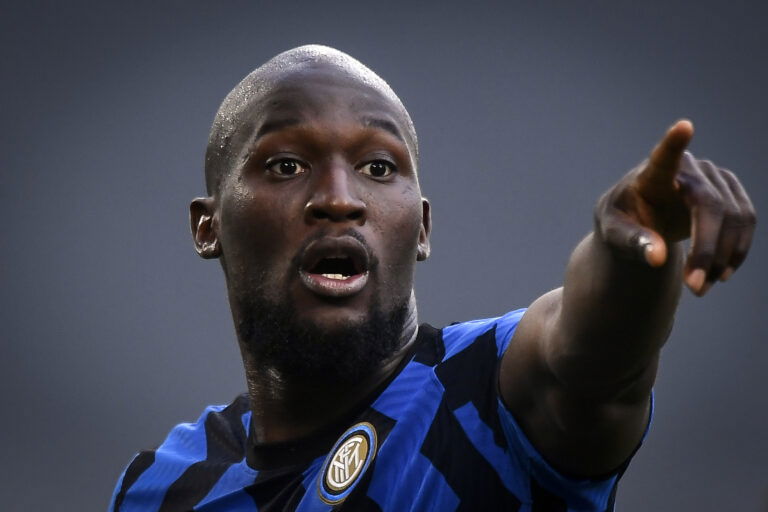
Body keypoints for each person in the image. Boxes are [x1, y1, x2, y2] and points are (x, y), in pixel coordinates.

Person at [109, 45, 756, 511]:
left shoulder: (489, 394)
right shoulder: (161, 487)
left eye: (379, 168)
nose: (340, 197)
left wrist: (632, 255)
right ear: (208, 226)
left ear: (420, 228)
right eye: (284, 165)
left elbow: (590, 354)